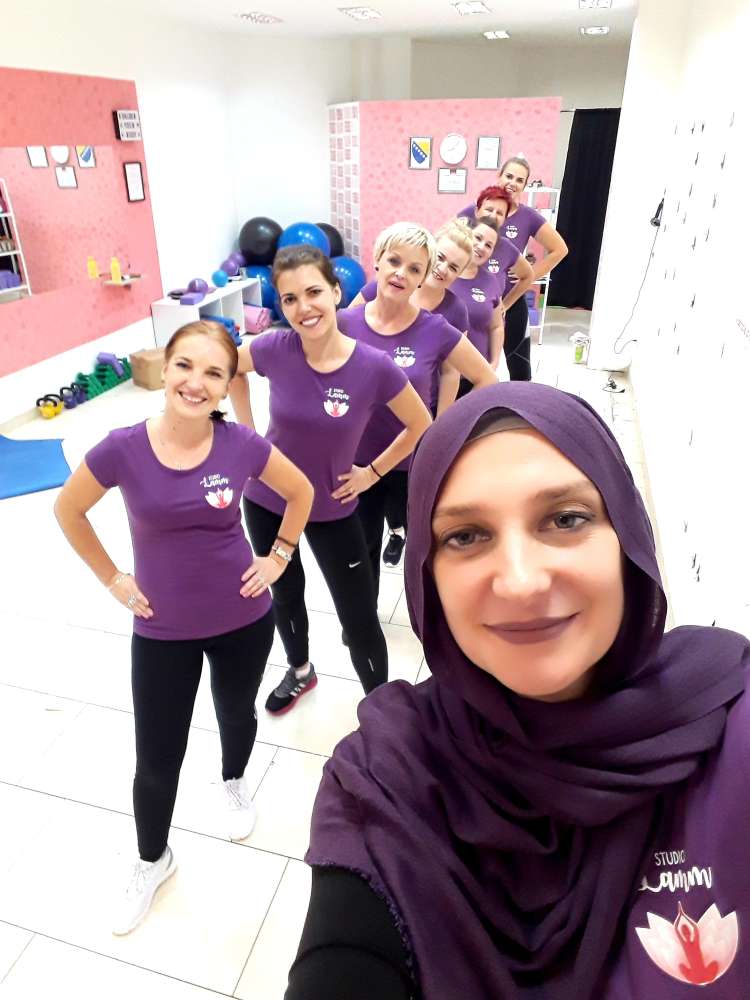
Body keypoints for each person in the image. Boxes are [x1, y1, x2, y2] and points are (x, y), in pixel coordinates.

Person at [286, 381, 749, 999]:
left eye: (566, 519)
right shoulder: (386, 775)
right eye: (466, 536)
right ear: (427, 576)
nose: (522, 582)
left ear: (628, 538)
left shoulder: (729, 720)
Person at [54, 320, 313, 936]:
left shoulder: (241, 444)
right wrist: (113, 579)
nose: (196, 382)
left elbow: (300, 491)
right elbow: (68, 509)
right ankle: (153, 859)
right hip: (161, 628)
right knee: (157, 754)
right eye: (185, 366)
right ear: (165, 370)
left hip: (242, 617)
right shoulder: (122, 447)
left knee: (236, 712)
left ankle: (233, 782)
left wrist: (277, 556)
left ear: (227, 387)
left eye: (214, 373)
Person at [229, 245, 429, 712]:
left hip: (332, 506)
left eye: (314, 292)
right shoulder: (274, 348)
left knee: (358, 617)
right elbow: (232, 368)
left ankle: (382, 712)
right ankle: (300, 671)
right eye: (290, 298)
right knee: (284, 594)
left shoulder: (373, 366)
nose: (304, 307)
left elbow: (420, 423)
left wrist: (372, 472)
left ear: (337, 292)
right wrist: (248, 436)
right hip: (267, 499)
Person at [336, 221, 497, 599]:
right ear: (377, 260)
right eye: (394, 262)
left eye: (414, 268)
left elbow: (486, 379)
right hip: (355, 462)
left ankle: (427, 615)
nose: (401, 274)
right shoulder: (345, 322)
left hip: (412, 462)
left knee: (424, 550)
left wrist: (450, 430)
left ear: (423, 277)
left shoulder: (436, 328)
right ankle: (364, 619)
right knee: (361, 553)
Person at [461, 156, 569, 380]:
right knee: (471, 367)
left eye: (520, 180)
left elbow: (559, 249)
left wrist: (528, 276)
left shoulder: (528, 217)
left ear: (525, 185)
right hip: (476, 303)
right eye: (509, 176)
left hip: (510, 301)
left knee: (520, 369)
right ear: (499, 176)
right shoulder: (475, 211)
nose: (512, 183)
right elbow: (445, 243)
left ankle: (519, 401)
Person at [451, 216, 531, 397]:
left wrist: (494, 363)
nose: (481, 247)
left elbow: (496, 327)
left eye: (488, 245)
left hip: (476, 376)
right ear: (467, 236)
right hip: (442, 374)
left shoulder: (490, 282)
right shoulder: (446, 275)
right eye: (478, 238)